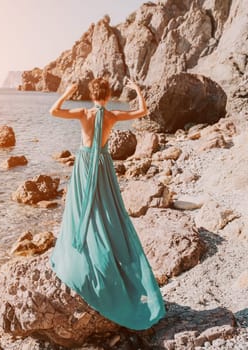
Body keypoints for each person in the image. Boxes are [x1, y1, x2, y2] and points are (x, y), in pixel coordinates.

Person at [48, 77, 166, 330]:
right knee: (106, 209)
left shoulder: (83, 112)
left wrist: (67, 92)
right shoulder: (111, 116)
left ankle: (86, 248)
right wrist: (137, 90)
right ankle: (107, 247)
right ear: (108, 94)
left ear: (91, 94)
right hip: (102, 164)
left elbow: (53, 110)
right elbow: (142, 111)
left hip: (85, 164)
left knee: (81, 208)